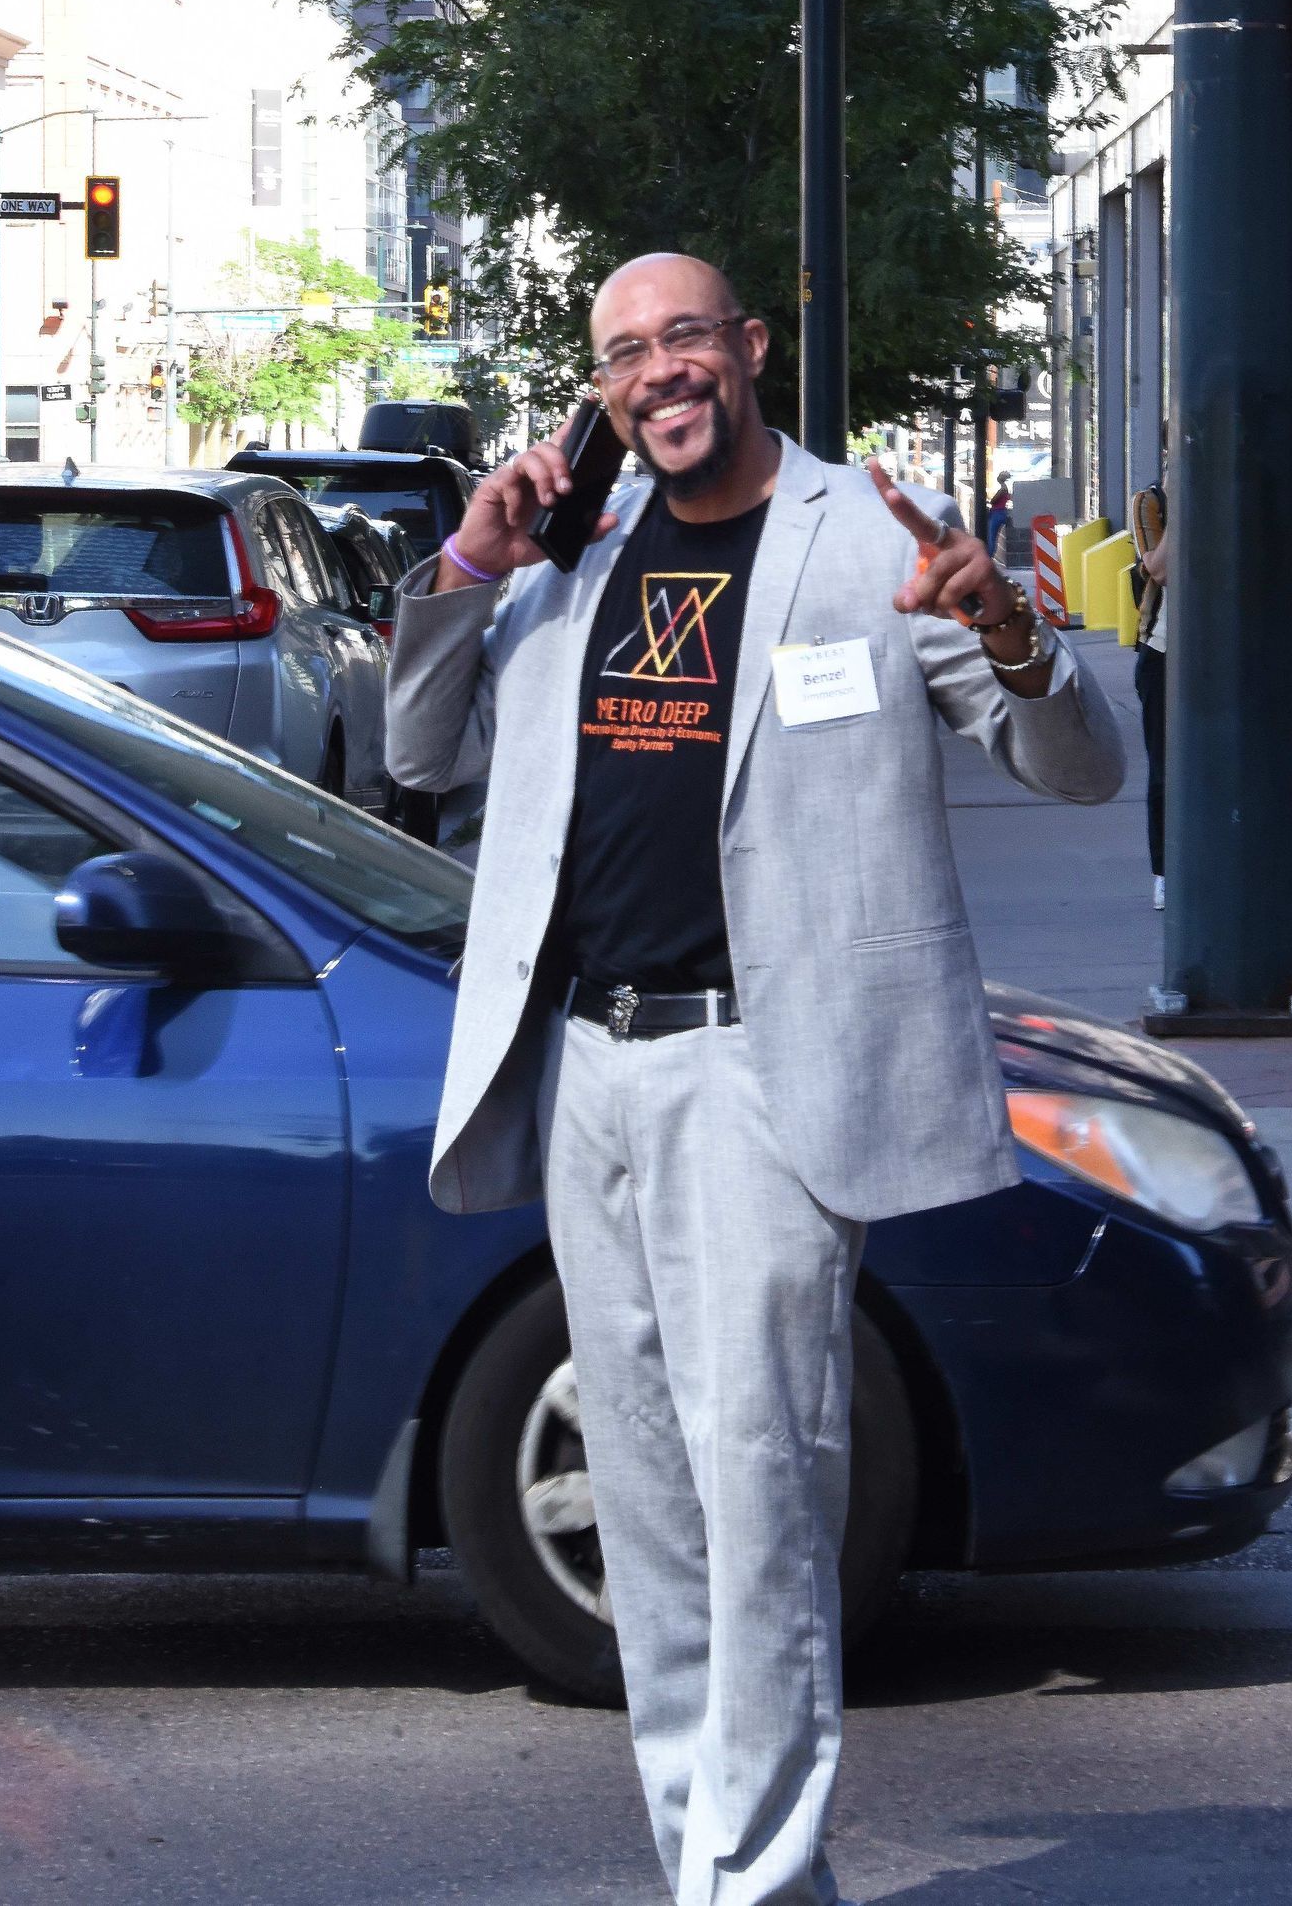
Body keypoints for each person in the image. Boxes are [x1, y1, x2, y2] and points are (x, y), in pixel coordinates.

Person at [388, 252, 1123, 1906]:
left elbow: (1080, 767)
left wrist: (1008, 627)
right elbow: (422, 746)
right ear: (603, 381)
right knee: (646, 1496)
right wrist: (465, 557)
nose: (661, 370)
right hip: (589, 1064)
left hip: (761, 1072)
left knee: (766, 1483)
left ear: (751, 348)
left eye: (687, 336)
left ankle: (764, 1875)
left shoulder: (869, 537)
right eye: (626, 350)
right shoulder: (569, 551)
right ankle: (698, 1857)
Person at [1130, 480, 1168, 911]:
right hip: (1164, 652)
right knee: (1165, 770)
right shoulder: (1151, 502)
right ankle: (1165, 872)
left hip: (1225, 655)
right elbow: (1160, 568)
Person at [986, 473, 1013, 561]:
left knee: (992, 537)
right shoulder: (1006, 488)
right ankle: (990, 556)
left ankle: (989, 557)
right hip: (1002, 512)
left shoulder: (1002, 489)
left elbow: (993, 501)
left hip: (997, 513)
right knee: (994, 537)